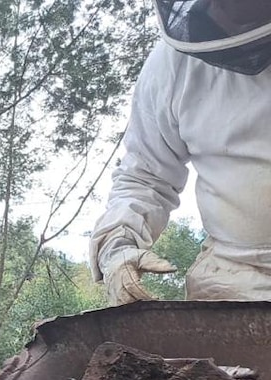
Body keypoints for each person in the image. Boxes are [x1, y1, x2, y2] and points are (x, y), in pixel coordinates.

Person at [90, 0, 271, 305]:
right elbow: (145, 177)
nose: (225, 14)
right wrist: (118, 245)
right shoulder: (173, 65)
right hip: (236, 279)